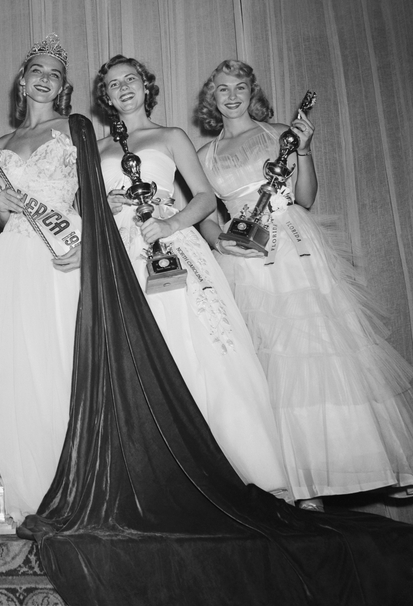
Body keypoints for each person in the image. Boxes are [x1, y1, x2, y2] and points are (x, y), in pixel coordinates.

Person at [195, 59, 413, 510]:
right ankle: (296, 482)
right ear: (210, 99)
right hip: (246, 258)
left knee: (323, 349)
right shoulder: (204, 157)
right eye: (221, 89)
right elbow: (205, 219)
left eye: (239, 87)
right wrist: (222, 246)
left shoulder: (281, 134)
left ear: (252, 91)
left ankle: (358, 465)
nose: (231, 95)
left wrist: (306, 150)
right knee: (268, 360)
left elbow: (307, 197)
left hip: (294, 248)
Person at [95, 55, 289, 498]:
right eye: (112, 84)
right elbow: (87, 207)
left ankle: (238, 472)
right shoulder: (99, 149)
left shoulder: (170, 137)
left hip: (170, 241)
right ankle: (157, 477)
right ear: (104, 97)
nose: (123, 88)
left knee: (197, 344)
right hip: (119, 252)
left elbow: (204, 199)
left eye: (131, 80)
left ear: (146, 86)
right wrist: (109, 206)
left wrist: (169, 223)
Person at [0, 34, 84, 524]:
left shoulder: (76, 130)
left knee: (61, 358)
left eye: (55, 74)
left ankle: (76, 481)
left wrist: (88, 248)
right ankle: (27, 486)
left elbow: (96, 200)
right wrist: (0, 211)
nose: (45, 78)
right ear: (22, 81)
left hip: (62, 254)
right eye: (37, 71)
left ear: (62, 87)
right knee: (19, 362)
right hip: (14, 259)